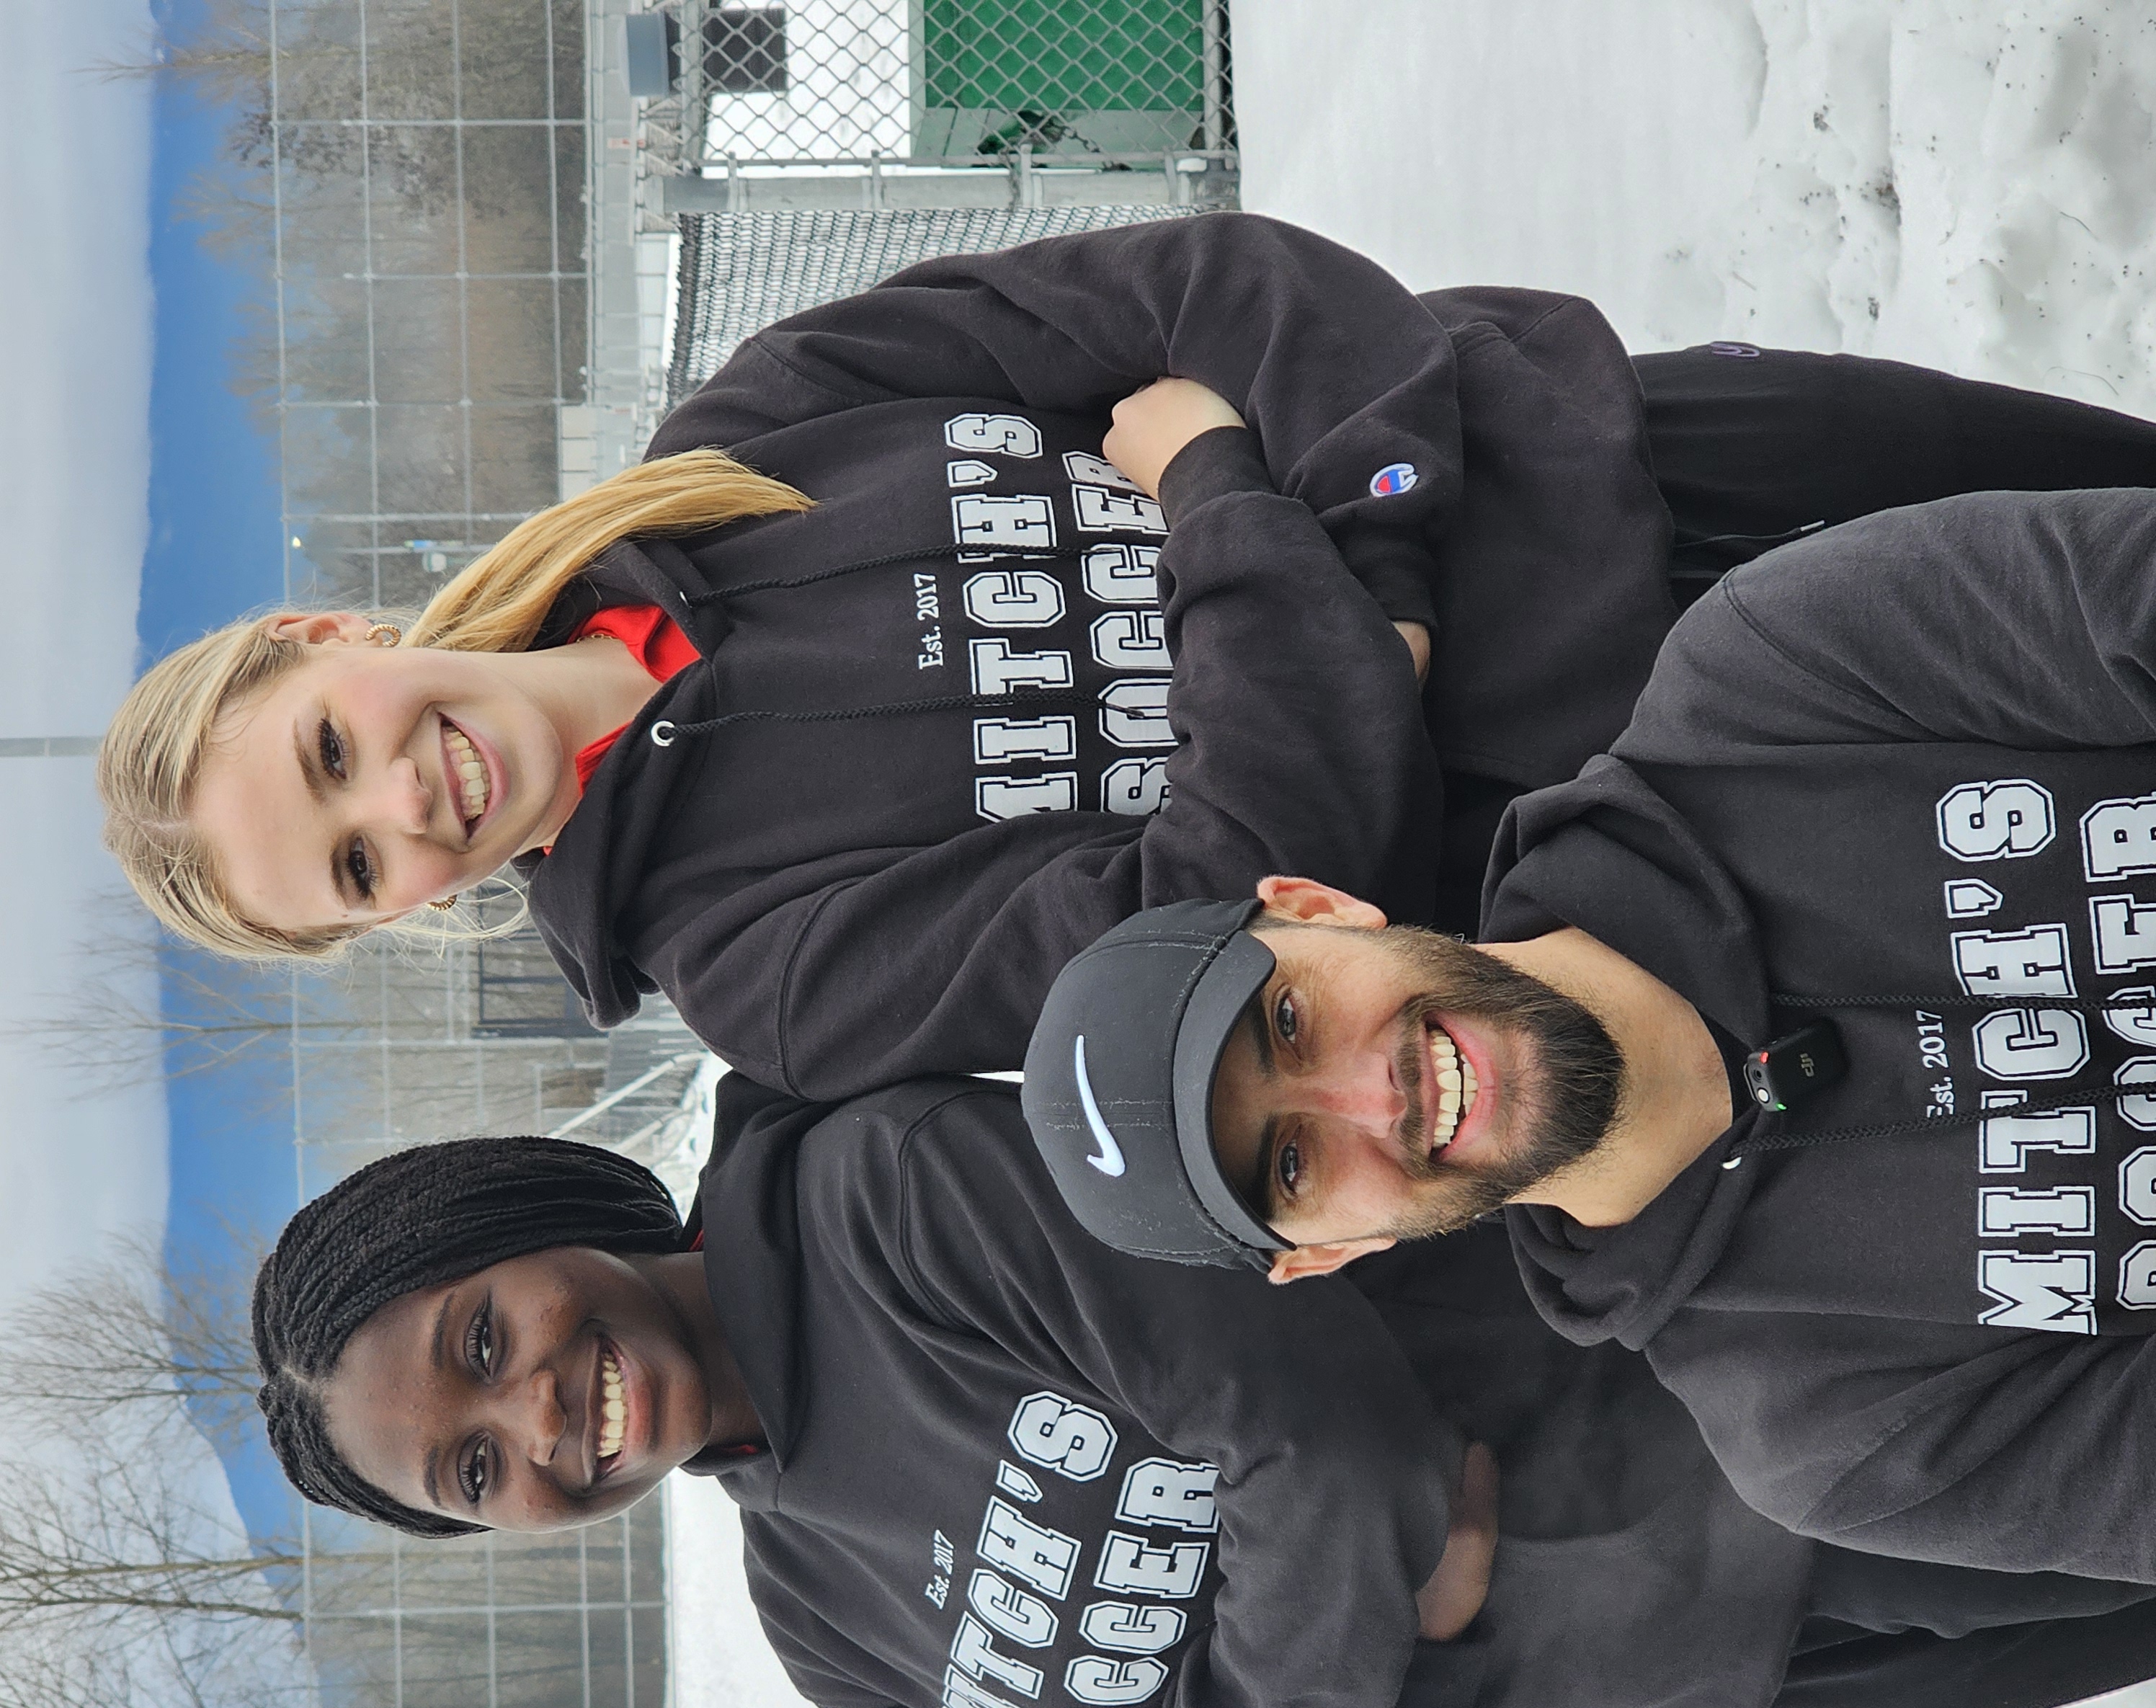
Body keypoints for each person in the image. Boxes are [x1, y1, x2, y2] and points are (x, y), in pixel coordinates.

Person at [103, 214, 2156, 1096]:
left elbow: (1198, 280)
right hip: (1673, 776)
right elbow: (1225, 905)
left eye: (327, 759)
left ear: (321, 640)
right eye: (358, 871)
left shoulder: (750, 434)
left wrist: (1375, 569)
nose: (404, 806)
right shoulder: (762, 969)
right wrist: (1233, 515)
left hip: (1610, 458)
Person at [254, 1083, 2156, 1708]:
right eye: (477, 1472)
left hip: (1766, 1436)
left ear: (520, 1221)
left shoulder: (882, 1193)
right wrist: (1393, 1683)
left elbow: (1305, 1426)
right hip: (1735, 1697)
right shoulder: (828, 1625)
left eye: (483, 1340)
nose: (538, 1415)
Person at [1025, 487, 2156, 1583]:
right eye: (1291, 1161)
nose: (1379, 1099)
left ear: (1318, 908)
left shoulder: (1776, 673)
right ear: (1329, 1252)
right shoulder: (1836, 1430)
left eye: (1288, 1021)